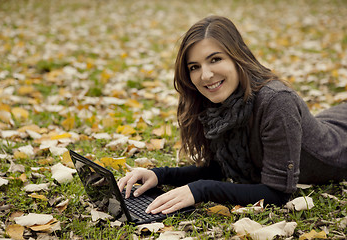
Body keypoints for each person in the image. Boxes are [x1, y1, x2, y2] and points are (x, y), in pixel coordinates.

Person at [117, 16, 347, 215]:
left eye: (215, 59)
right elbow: (222, 168)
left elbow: (277, 193)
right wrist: (159, 175)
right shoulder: (217, 102)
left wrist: (201, 190)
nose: (205, 75)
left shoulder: (277, 101)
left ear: (238, 57)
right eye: (194, 67)